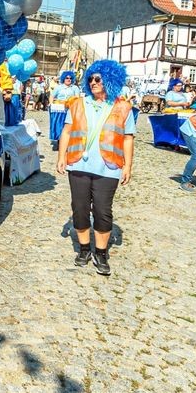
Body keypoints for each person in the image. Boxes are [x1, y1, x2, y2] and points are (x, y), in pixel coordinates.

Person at [55, 60, 135, 276]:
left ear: (110, 79)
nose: (93, 82)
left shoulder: (123, 107)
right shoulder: (78, 103)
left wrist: (127, 165)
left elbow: (128, 138)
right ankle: (83, 250)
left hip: (108, 167)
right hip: (79, 163)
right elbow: (66, 131)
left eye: (98, 79)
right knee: (79, 209)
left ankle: (100, 253)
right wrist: (62, 156)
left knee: (102, 210)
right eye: (90, 78)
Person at [49, 71, 80, 150]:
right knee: (59, 126)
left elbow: (77, 98)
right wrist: (51, 103)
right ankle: (60, 143)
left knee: (68, 126)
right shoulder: (58, 87)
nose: (68, 79)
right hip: (59, 110)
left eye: (70, 78)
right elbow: (52, 96)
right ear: (63, 78)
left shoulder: (75, 88)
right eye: (67, 78)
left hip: (70, 109)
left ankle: (67, 143)